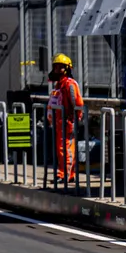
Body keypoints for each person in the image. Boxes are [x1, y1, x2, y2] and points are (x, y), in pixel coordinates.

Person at [46, 53, 82, 183]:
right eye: (55, 67)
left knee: (66, 150)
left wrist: (73, 119)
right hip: (58, 123)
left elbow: (76, 102)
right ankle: (63, 173)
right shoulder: (59, 85)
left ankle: (67, 175)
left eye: (59, 67)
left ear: (66, 69)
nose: (56, 70)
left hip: (67, 122)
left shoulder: (69, 84)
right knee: (60, 150)